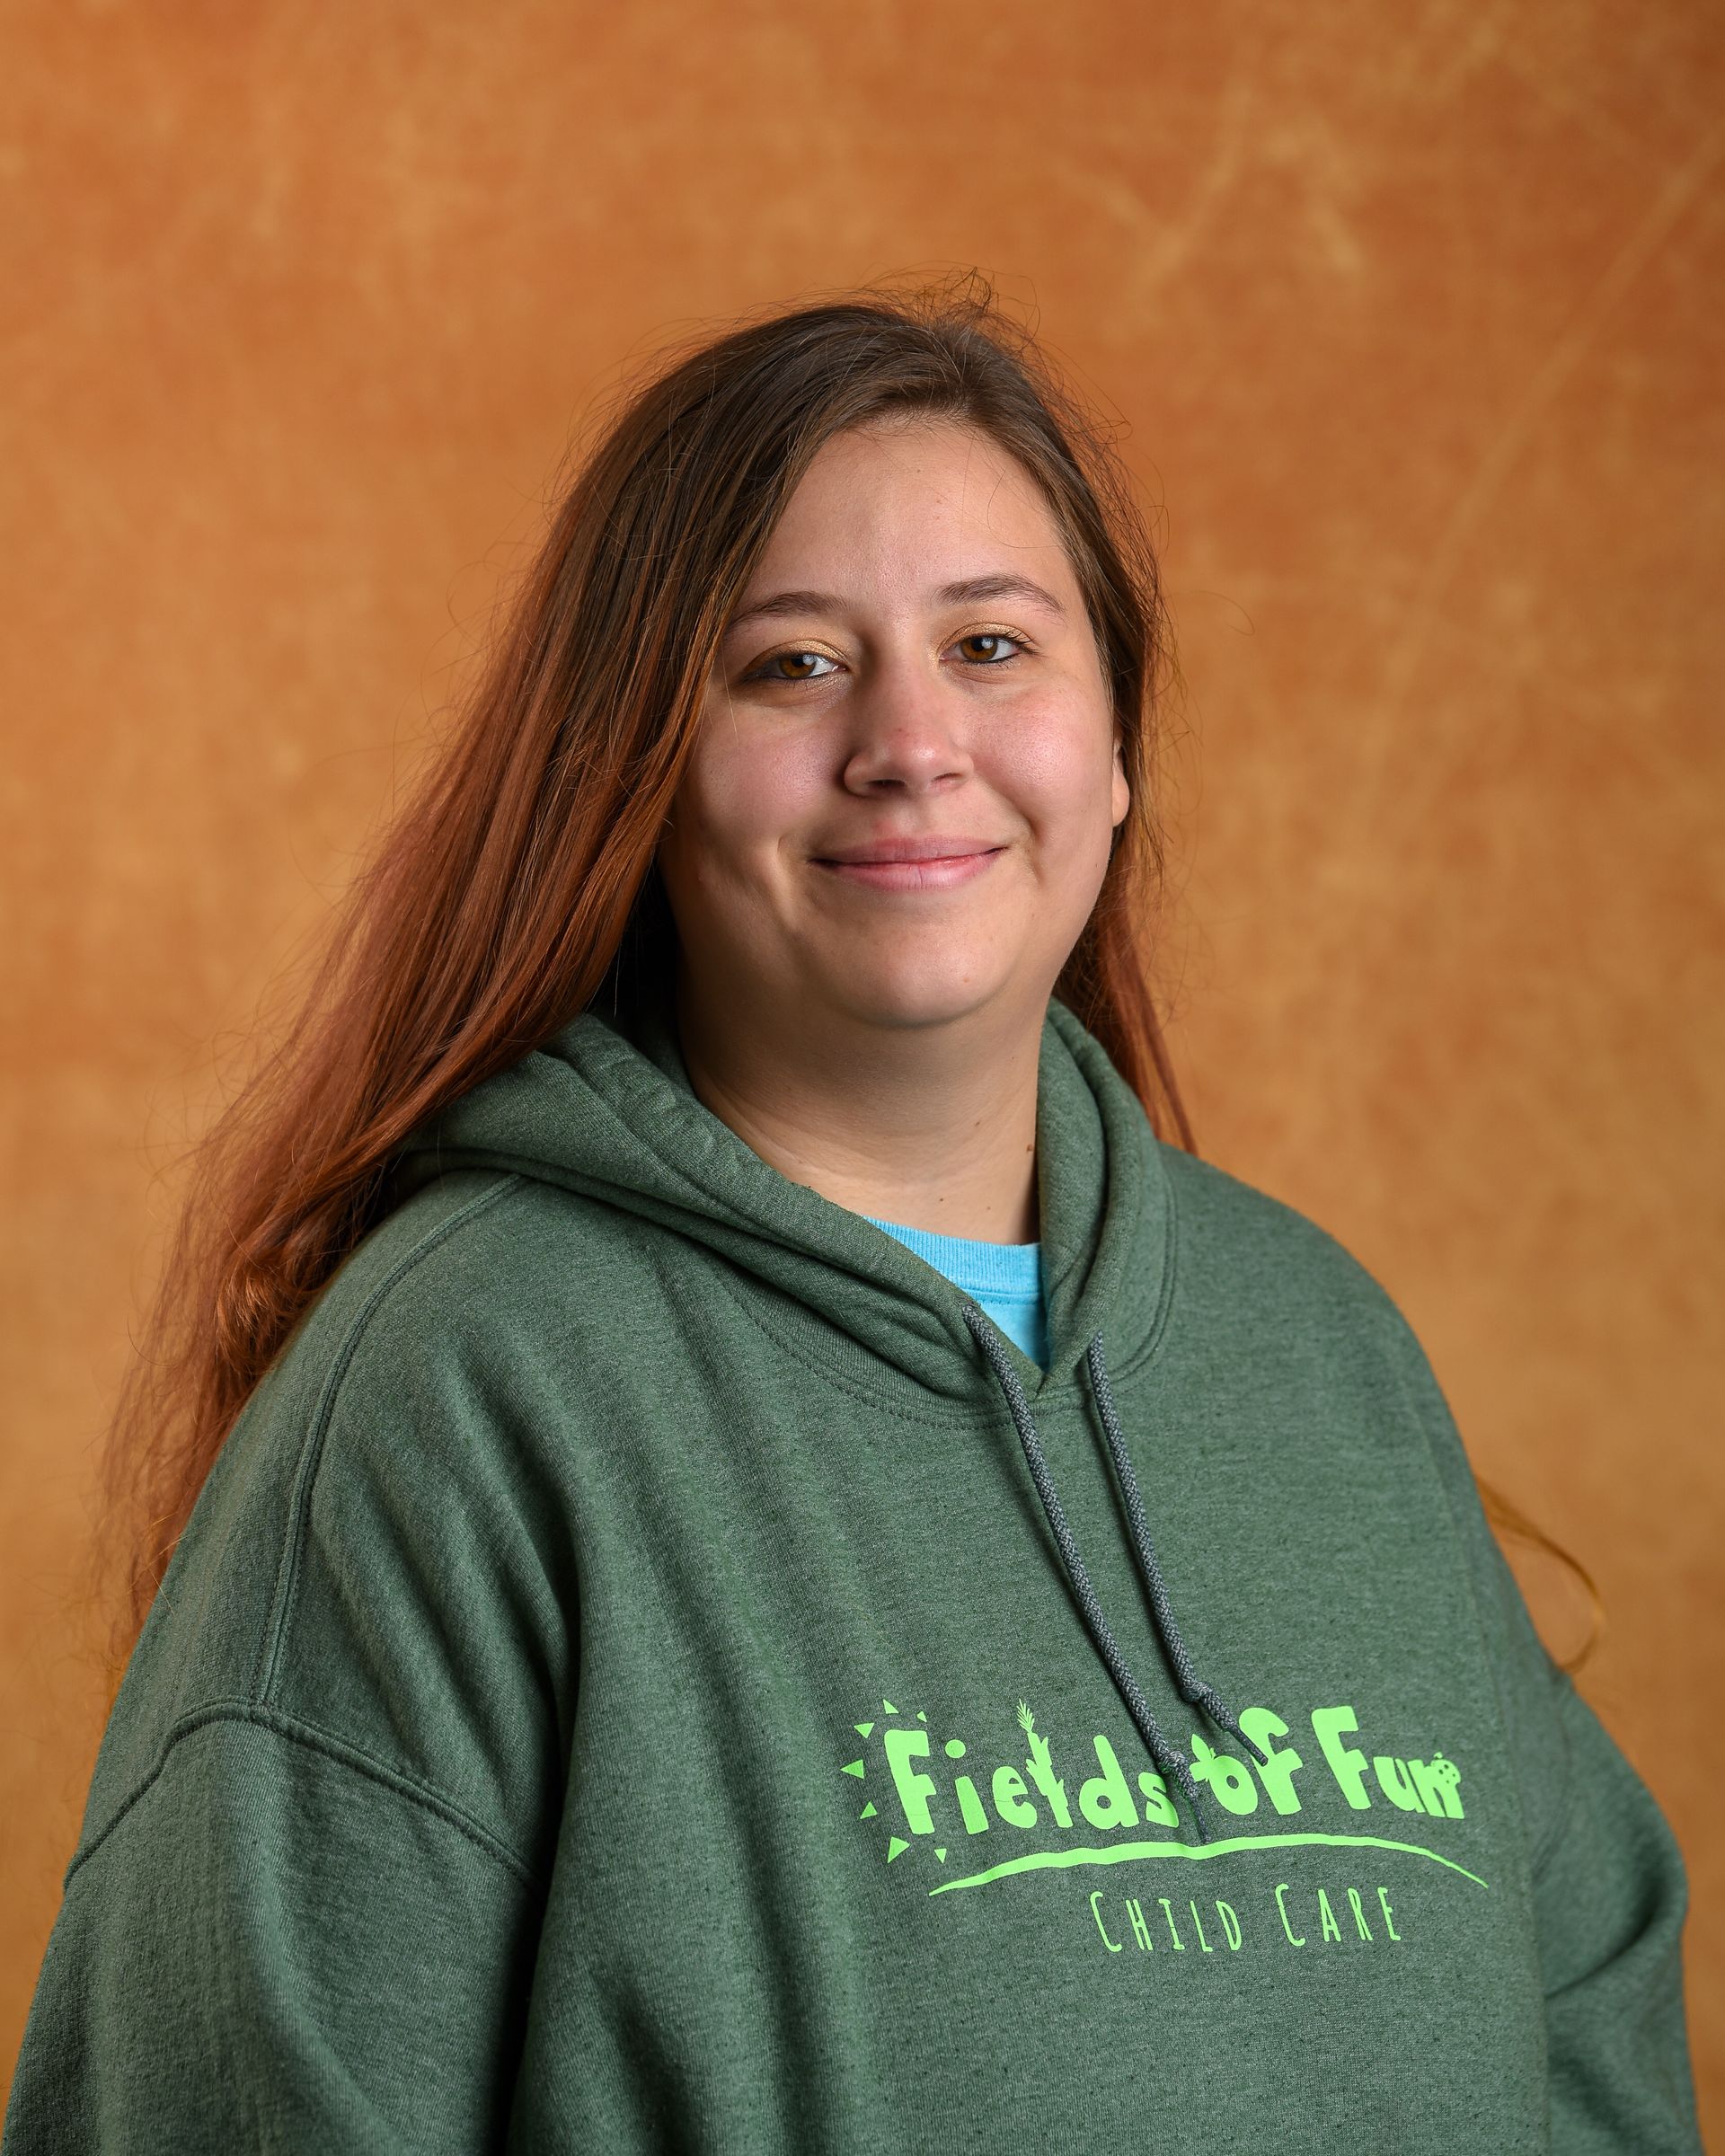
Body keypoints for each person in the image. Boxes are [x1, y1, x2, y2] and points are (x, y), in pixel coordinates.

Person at [4, 277, 1703, 2153]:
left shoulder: (1318, 1353)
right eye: (791, 663)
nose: (911, 740)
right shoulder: (460, 1398)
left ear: (1115, 746)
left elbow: (1592, 2033)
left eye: (992, 647)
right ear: (638, 774)